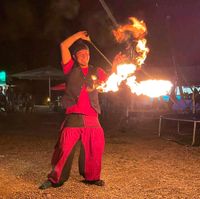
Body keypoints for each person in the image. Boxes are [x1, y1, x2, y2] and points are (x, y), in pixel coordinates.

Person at [39, 31, 108, 189]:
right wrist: (79, 36)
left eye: (87, 54)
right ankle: (55, 179)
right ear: (75, 57)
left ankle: (92, 177)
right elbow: (63, 45)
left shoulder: (97, 71)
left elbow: (110, 83)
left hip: (92, 116)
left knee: (95, 147)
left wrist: (117, 65)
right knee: (64, 149)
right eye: (81, 54)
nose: (85, 57)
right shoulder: (70, 68)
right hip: (74, 115)